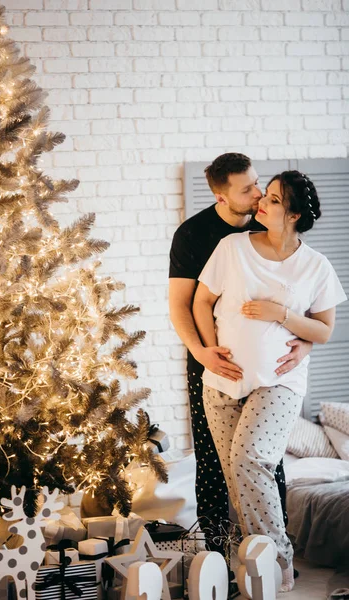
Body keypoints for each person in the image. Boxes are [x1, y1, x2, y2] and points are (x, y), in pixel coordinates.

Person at [192, 169, 347, 592]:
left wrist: (282, 315)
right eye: (267, 195)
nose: (262, 201)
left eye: (274, 200)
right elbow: (201, 301)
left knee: (251, 460)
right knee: (237, 477)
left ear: (294, 214)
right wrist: (209, 349)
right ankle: (253, 565)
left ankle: (277, 561)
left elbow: (324, 330)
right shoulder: (232, 247)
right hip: (221, 384)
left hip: (279, 383)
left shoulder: (315, 265)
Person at [168, 154, 311, 591]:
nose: (256, 195)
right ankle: (219, 558)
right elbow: (183, 304)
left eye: (259, 187)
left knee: (264, 460)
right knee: (214, 462)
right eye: (247, 190)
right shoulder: (196, 235)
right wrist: (203, 353)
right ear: (220, 195)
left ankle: (270, 554)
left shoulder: (268, 227)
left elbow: (300, 300)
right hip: (213, 364)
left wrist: (305, 341)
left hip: (271, 373)